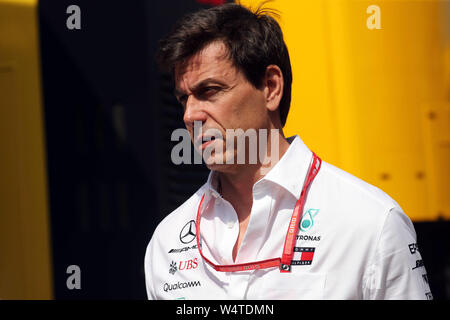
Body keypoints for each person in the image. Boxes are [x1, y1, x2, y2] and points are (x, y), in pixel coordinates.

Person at [144, 3, 432, 300]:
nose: (190, 115)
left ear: (271, 87)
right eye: (183, 99)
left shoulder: (371, 222)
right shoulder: (167, 243)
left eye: (210, 91)